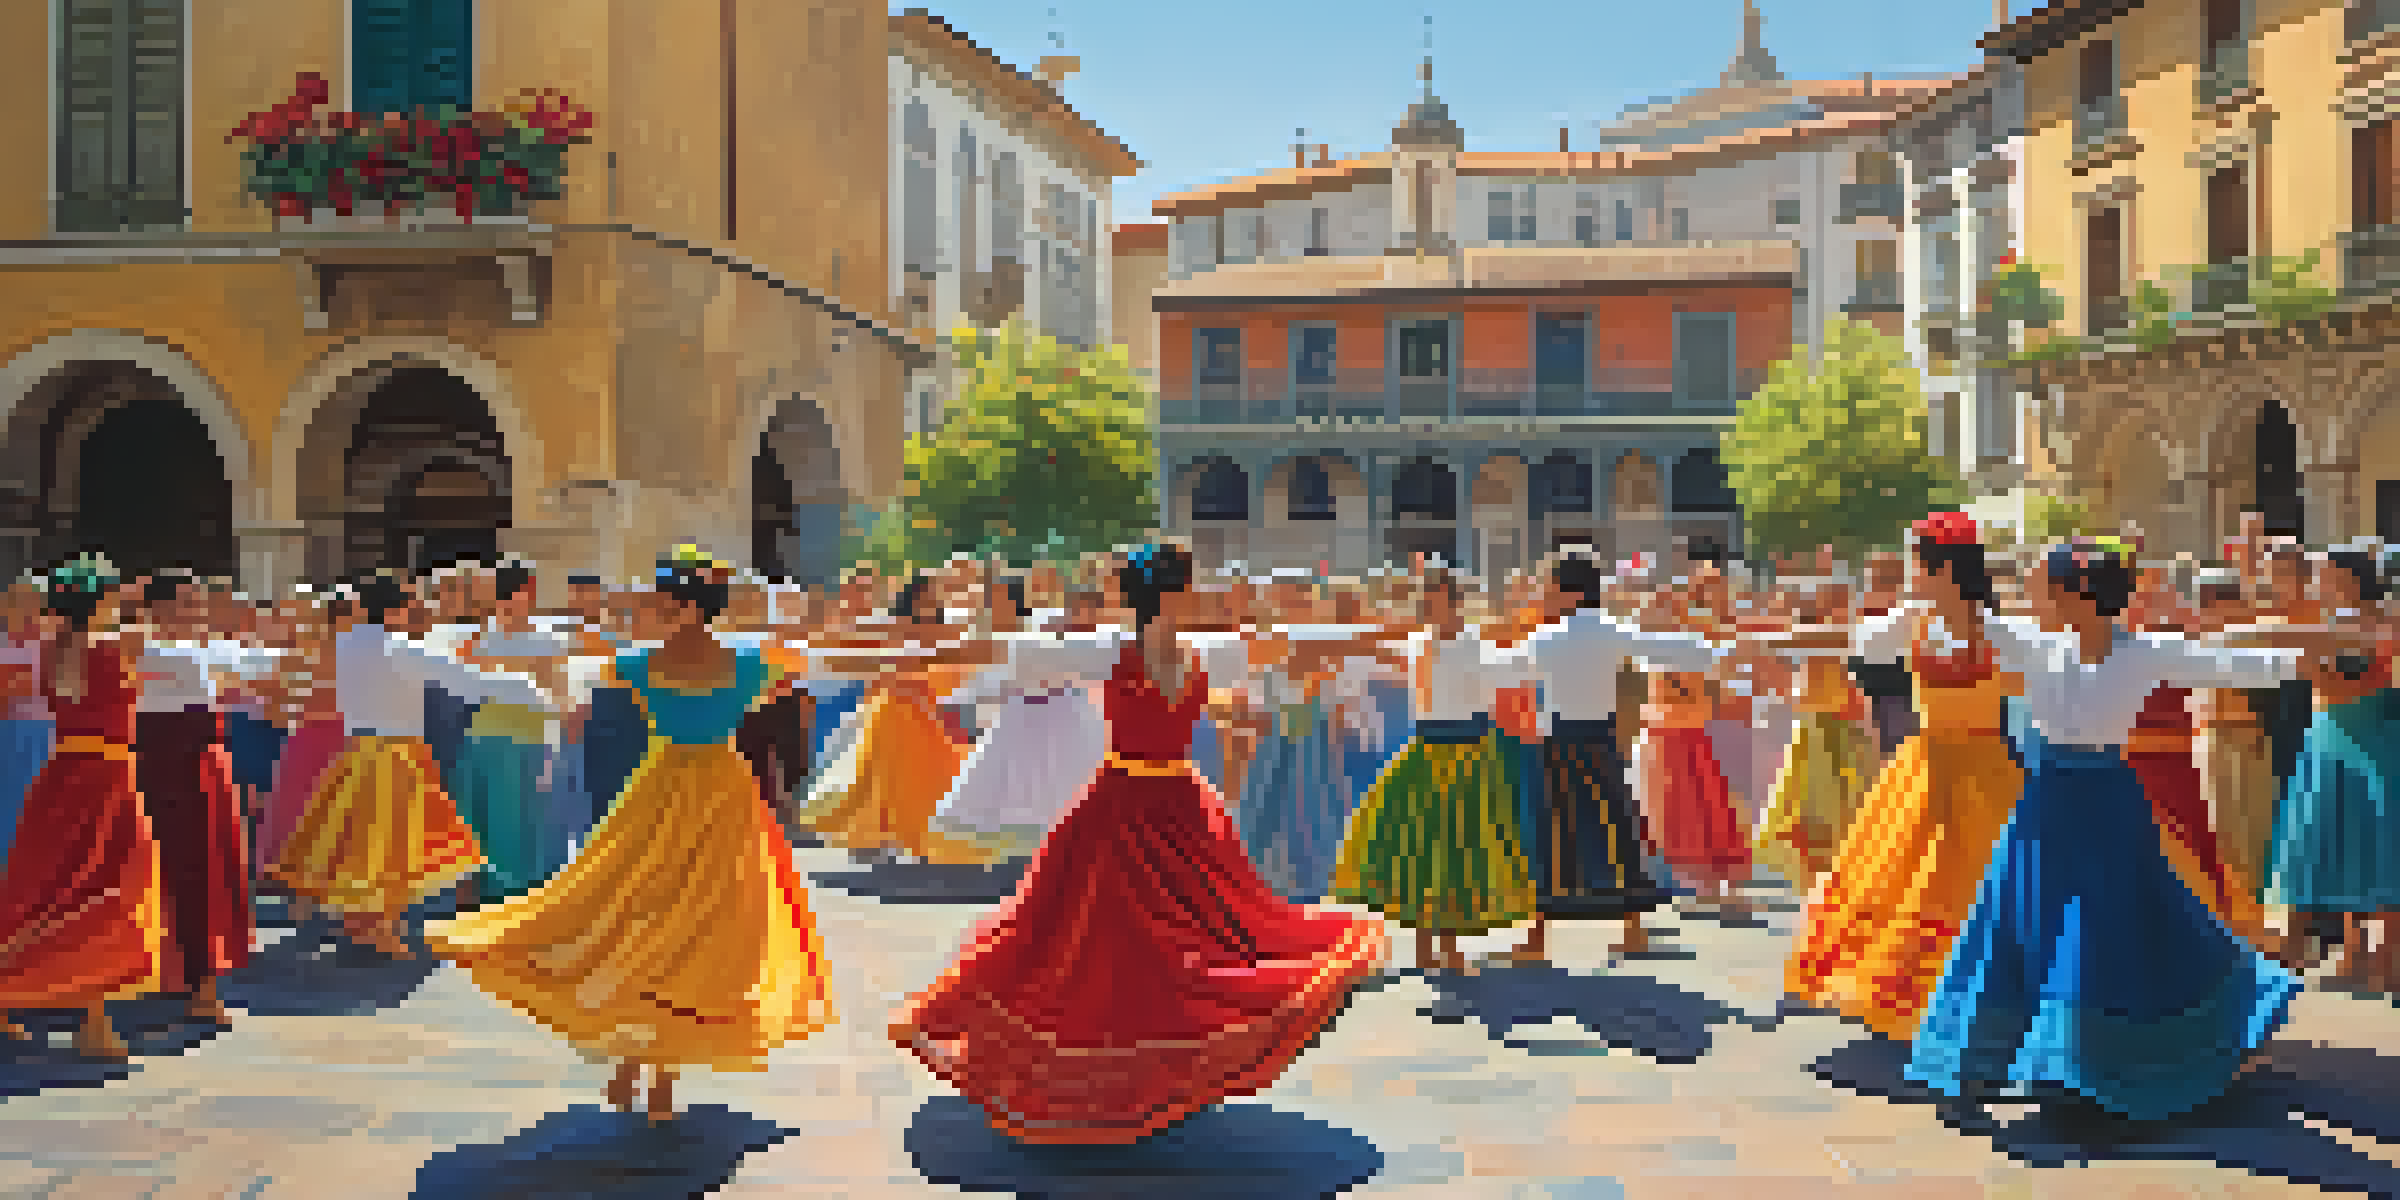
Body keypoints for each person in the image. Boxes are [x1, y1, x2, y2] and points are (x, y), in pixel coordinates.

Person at [890, 542, 1386, 1145]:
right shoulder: (1173, 650)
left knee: (1112, 944)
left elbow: (1001, 652)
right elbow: (1290, 646)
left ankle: (1123, 1072)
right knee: (1146, 944)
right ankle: (1128, 1072)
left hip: (1139, 805)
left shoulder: (1144, 649)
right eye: (1192, 583)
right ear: (1174, 593)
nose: (1201, 592)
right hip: (1159, 807)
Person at [1906, 538, 2306, 1129]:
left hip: (2108, 804)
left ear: (2074, 594)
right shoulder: (2033, 643)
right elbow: (1964, 614)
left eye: (2042, 581)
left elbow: (2236, 663)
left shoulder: (2143, 652)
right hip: (2046, 805)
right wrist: (1944, 562)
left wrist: (2321, 645)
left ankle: (2088, 1065)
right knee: (2017, 920)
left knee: (2101, 927)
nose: (2033, 591)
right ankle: (1989, 1058)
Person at [426, 547, 833, 1122]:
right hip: (720, 794)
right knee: (695, 924)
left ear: (689, 608)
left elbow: (595, 659)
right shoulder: (750, 661)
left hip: (662, 788)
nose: (658, 613)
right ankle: (657, 1074)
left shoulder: (637, 664)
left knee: (639, 911)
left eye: (666, 604)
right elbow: (791, 670)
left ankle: (633, 1064)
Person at [1783, 512, 2025, 1042]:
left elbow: (1863, 646)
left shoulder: (1992, 626)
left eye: (1916, 560)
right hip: (1935, 767)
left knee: (1961, 881)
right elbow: (1861, 646)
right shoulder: (1921, 619)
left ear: (1938, 566)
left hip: (1974, 767)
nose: (1910, 570)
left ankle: (1970, 996)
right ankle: (1928, 997)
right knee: (1919, 880)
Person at [268, 573, 540, 959]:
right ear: (397, 609)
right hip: (398, 753)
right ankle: (385, 930)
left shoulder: (350, 643)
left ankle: (363, 925)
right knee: (396, 849)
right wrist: (527, 688)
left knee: (362, 842)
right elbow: (466, 682)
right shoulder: (399, 648)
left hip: (358, 750)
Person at [1488, 553, 1722, 963]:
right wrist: (1720, 648)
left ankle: (1537, 940)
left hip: (1559, 743)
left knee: (1552, 837)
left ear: (1571, 592)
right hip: (1600, 741)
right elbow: (1679, 650)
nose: (1545, 593)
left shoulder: (1548, 637)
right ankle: (1632, 930)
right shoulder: (1608, 631)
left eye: (1551, 585)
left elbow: (1503, 672)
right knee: (1618, 830)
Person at [0, 556, 162, 1059]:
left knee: (47, 887)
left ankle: (21, 998)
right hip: (108, 777)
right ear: (103, 599)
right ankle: (93, 1023)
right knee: (109, 890)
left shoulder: (53, 650)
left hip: (64, 775)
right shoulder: (113, 648)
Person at [2262, 546, 2400, 993]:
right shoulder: (2323, 623)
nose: (2319, 581)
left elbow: (2357, 684)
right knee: (2330, 843)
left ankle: (2388, 960)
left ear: (2352, 579)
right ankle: (2352, 953)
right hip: (2325, 740)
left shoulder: (2384, 621)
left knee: (2380, 849)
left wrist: (2313, 667)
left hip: (2371, 739)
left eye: (2327, 574)